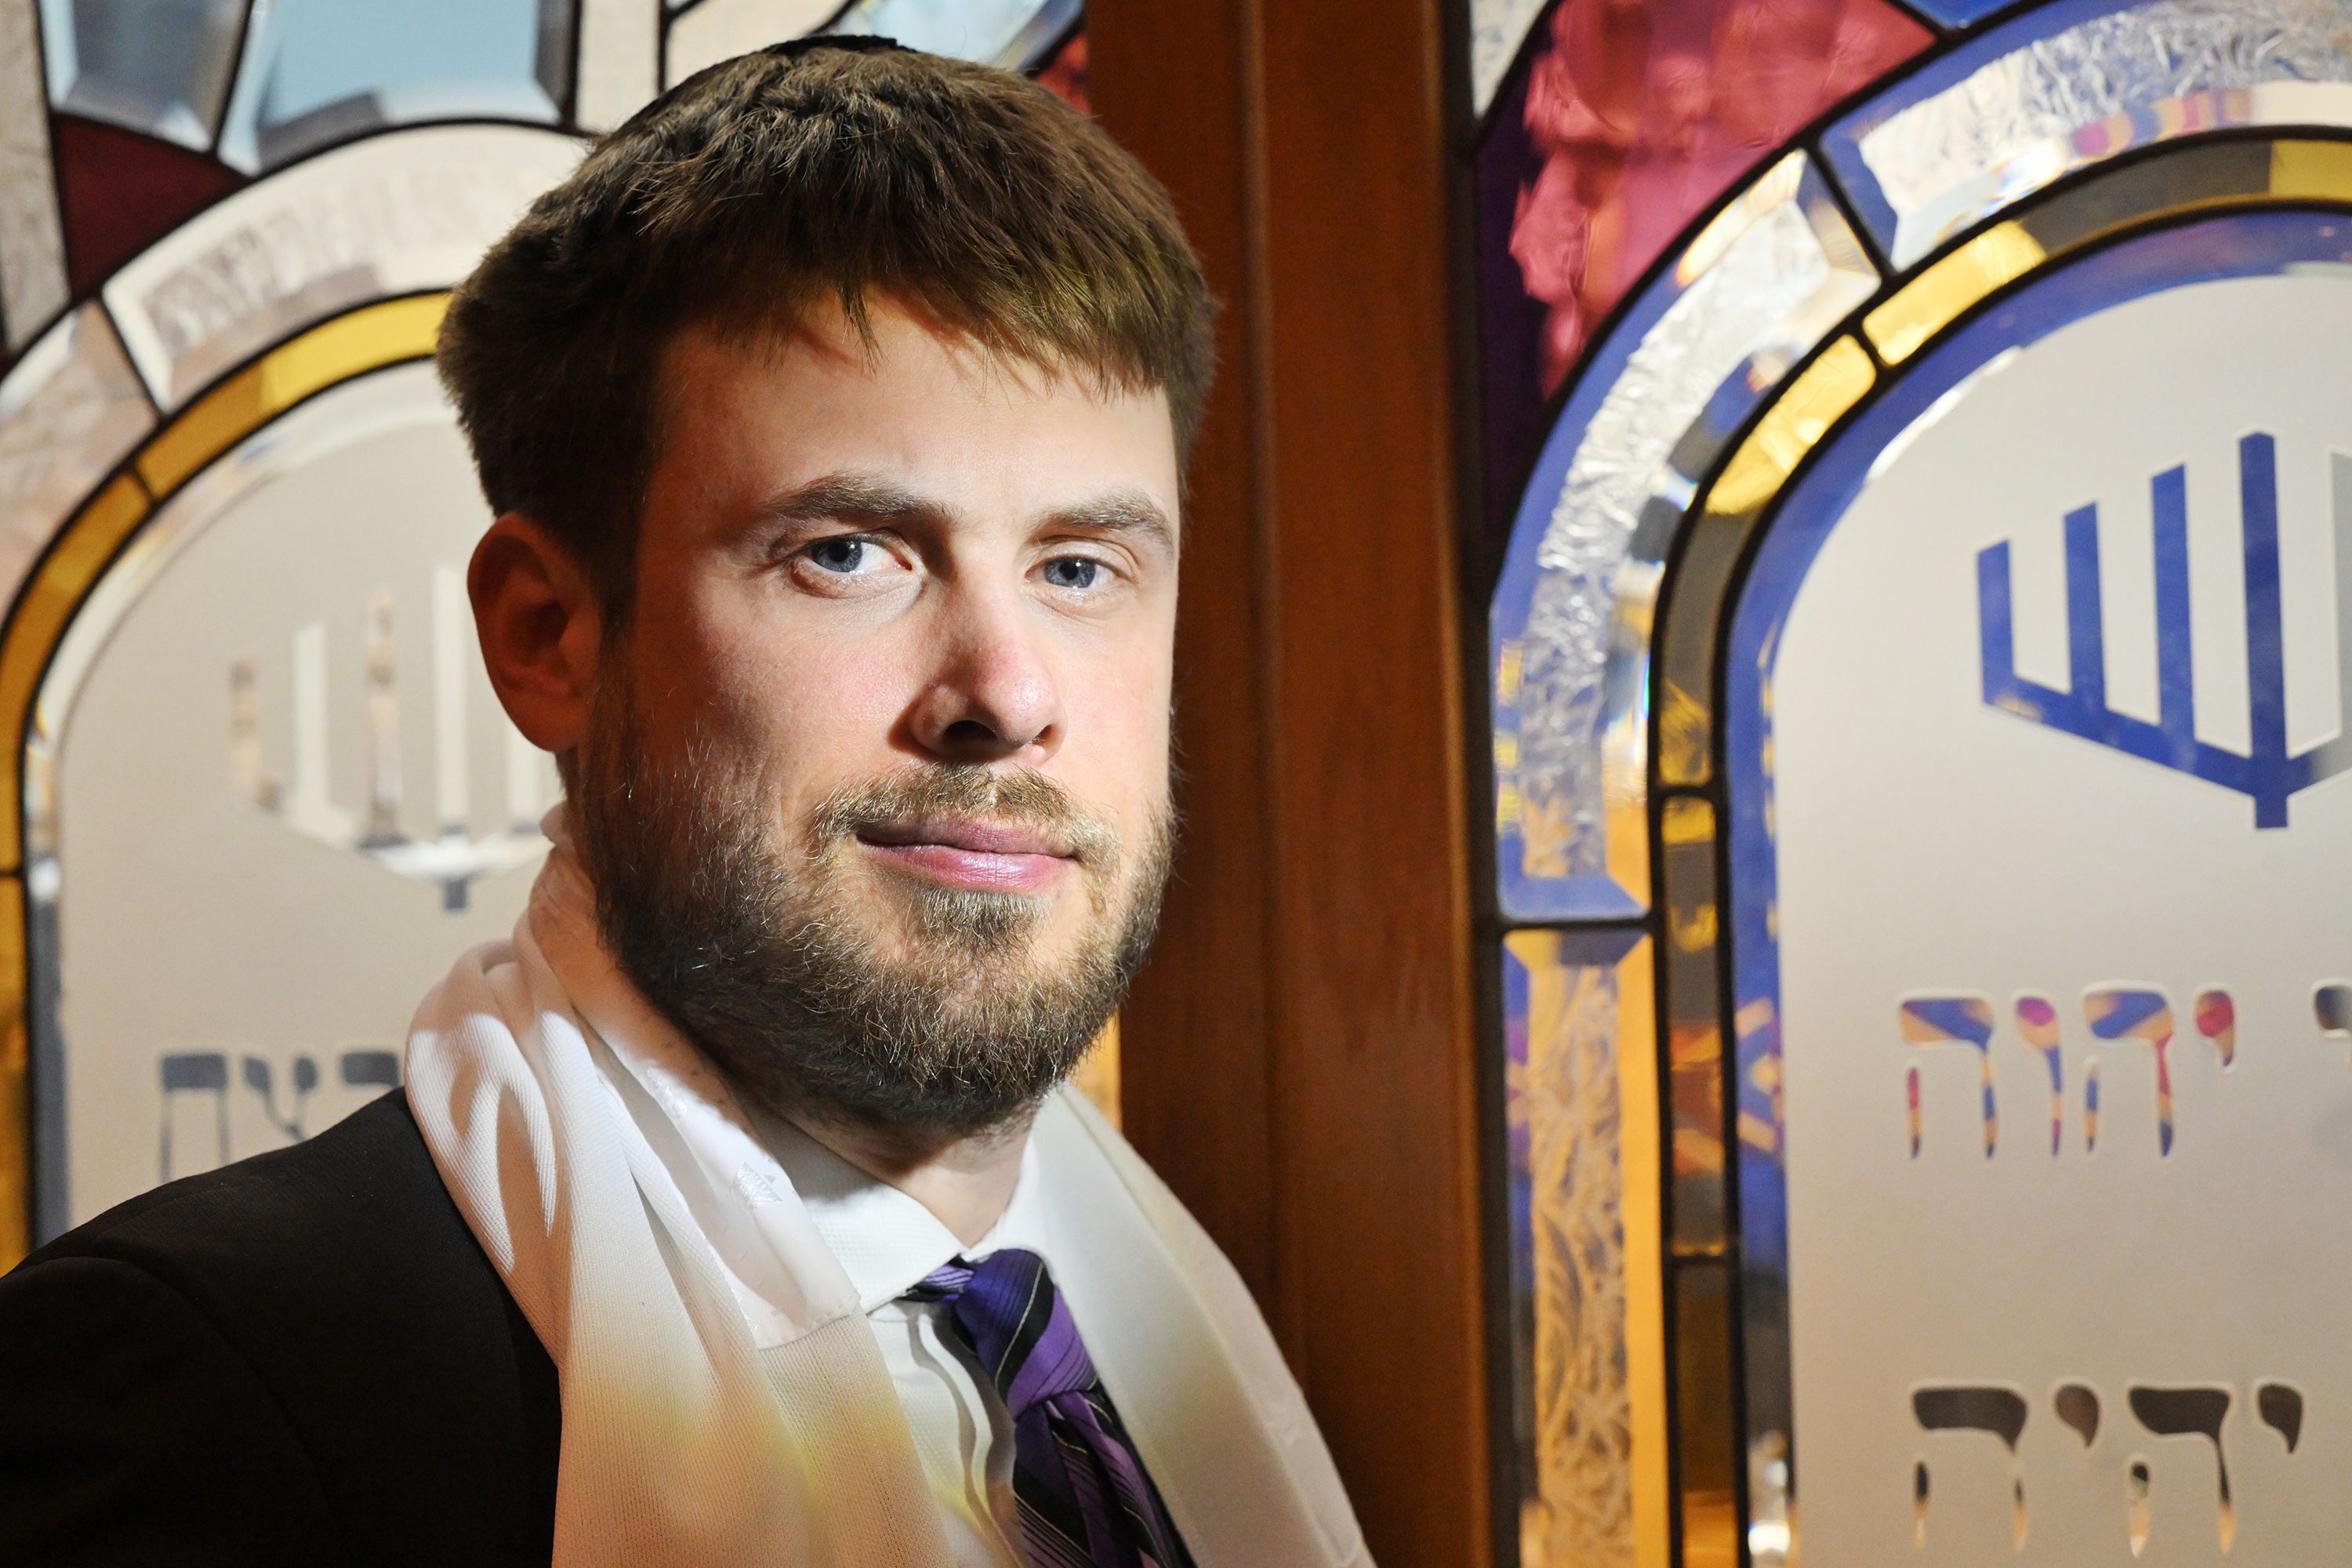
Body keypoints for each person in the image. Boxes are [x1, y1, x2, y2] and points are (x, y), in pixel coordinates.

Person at [0, 40, 1370, 1568]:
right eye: (850, 551)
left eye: (1078, 566)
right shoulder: (207, 1397)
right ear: (548, 638)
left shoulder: (1163, 1337)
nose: (1008, 688)